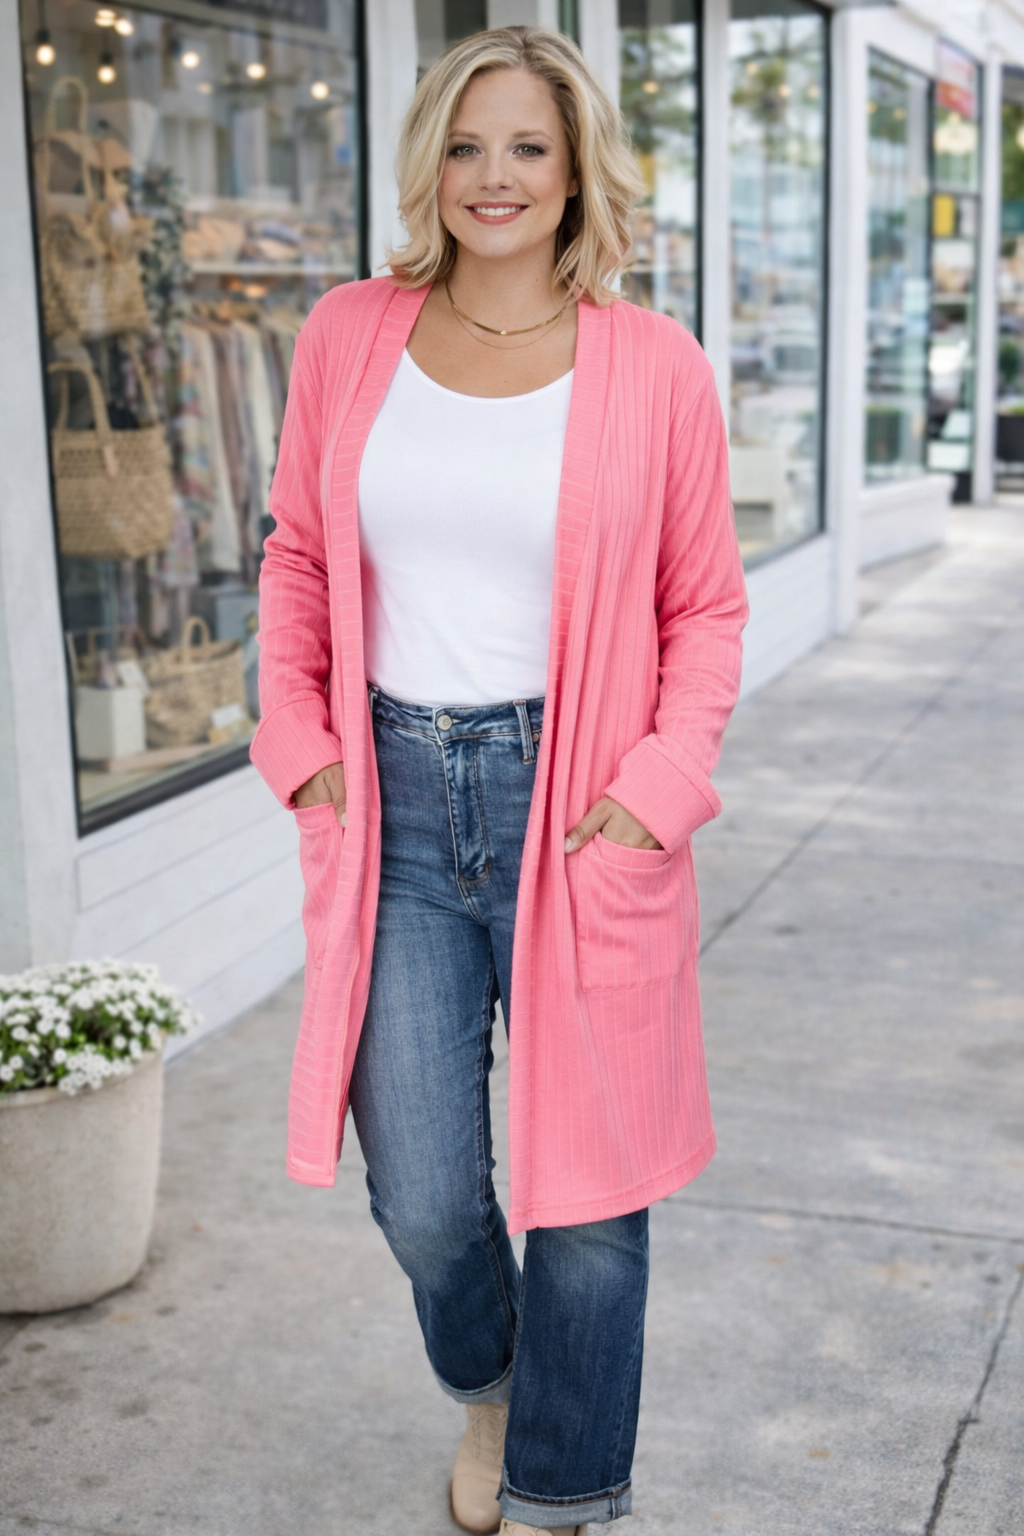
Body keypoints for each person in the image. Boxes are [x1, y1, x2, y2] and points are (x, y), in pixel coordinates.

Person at [250, 25, 748, 1536]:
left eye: (528, 146)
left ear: (576, 167)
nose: (495, 177)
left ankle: (560, 1490)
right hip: (394, 801)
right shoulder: (349, 332)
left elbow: (704, 608)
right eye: (467, 146)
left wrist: (655, 787)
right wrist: (303, 753)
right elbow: (296, 558)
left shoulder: (656, 365)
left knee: (589, 1198)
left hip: (578, 802)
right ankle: (496, 1386)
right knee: (425, 1196)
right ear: (430, 165)